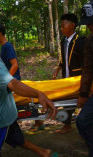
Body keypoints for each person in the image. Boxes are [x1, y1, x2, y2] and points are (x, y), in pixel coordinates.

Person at [52, 13, 86, 134]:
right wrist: (58, 68)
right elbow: (64, 59)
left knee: (81, 101)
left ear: (72, 25)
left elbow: (86, 62)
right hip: (66, 77)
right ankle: (67, 125)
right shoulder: (63, 41)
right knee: (66, 101)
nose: (61, 28)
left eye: (63, 25)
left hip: (77, 78)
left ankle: (78, 123)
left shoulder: (81, 41)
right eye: (60, 26)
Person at [77, 1, 93, 156]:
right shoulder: (90, 40)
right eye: (88, 25)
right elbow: (87, 69)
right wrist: (83, 93)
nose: (90, 27)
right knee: (82, 121)